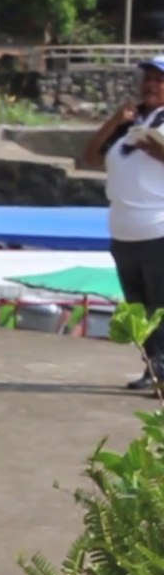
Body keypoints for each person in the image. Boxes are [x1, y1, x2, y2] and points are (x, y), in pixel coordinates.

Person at [82, 55, 164, 390]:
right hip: (123, 231)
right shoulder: (129, 120)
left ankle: (163, 373)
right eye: (148, 79)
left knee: (161, 307)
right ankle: (153, 369)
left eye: (159, 80)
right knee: (139, 309)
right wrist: (114, 121)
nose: (151, 85)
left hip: (158, 228)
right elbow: (89, 157)